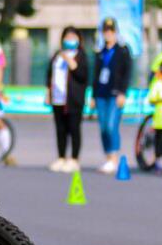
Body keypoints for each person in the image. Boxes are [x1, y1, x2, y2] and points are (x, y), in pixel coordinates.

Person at [89, 17, 131, 175]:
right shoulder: (100, 52)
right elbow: (95, 75)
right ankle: (107, 157)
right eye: (105, 31)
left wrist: (122, 92)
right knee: (103, 127)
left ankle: (114, 158)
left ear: (115, 32)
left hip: (115, 94)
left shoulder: (122, 51)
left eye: (111, 31)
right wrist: (93, 96)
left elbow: (127, 73)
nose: (108, 34)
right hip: (101, 94)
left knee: (111, 125)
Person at [45, 26, 89, 172]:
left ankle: (74, 159)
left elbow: (82, 75)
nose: (69, 40)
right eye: (67, 37)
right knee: (60, 129)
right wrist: (48, 93)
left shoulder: (81, 56)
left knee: (74, 128)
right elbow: (49, 74)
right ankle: (61, 157)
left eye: (73, 37)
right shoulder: (57, 55)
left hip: (74, 99)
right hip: (58, 98)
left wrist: (69, 60)